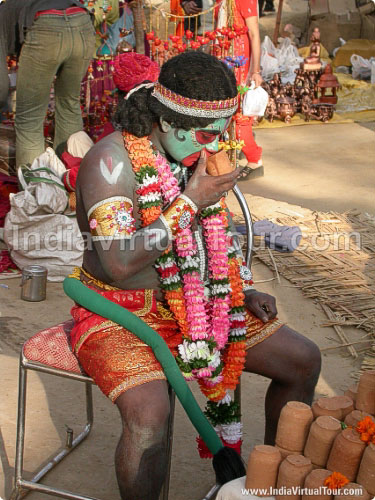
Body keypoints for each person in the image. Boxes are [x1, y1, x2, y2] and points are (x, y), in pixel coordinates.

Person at [70, 51, 321, 500]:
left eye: (221, 134)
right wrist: (190, 201)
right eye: (206, 134)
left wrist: (238, 286)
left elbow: (211, 238)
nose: (213, 147)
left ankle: (268, 486)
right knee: (149, 415)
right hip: (120, 312)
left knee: (302, 359)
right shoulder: (109, 164)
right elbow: (119, 263)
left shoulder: (187, 156)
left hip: (201, 301)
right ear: (168, 122)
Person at [0, 0, 95, 167]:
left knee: (30, 118)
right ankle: (73, 179)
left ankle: (36, 189)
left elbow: (1, 84)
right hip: (82, 22)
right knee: (69, 105)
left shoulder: (2, 13)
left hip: (45, 28)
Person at [232, 0, 264, 179]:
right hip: (226, 59)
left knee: (239, 115)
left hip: (240, 64)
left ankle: (254, 160)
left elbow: (254, 34)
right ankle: (239, 148)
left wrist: (255, 70)